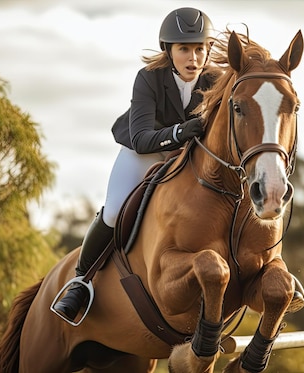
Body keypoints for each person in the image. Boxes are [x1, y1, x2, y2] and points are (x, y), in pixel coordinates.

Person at [53, 7, 216, 320]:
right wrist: (180, 132)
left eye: (200, 49)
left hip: (187, 159)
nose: (193, 58)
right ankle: (80, 281)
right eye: (184, 49)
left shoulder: (215, 81)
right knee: (114, 210)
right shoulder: (149, 79)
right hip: (143, 152)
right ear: (168, 51)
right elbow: (142, 138)